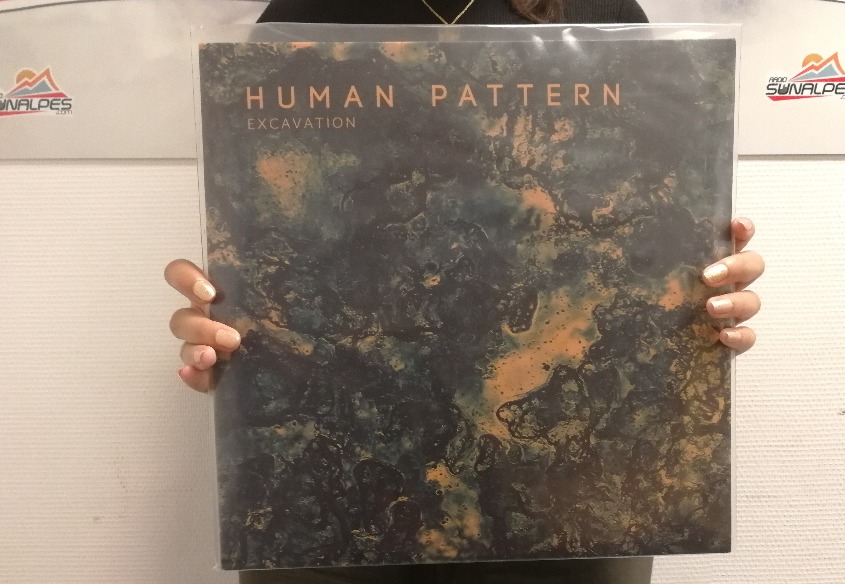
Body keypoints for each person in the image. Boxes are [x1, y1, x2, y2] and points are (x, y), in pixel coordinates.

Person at [166, 0, 764, 582]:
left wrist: (699, 308)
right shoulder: (302, 18)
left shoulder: (603, 13)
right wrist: (235, 339)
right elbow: (283, 262)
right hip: (329, 522)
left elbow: (645, 243)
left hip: (571, 521)